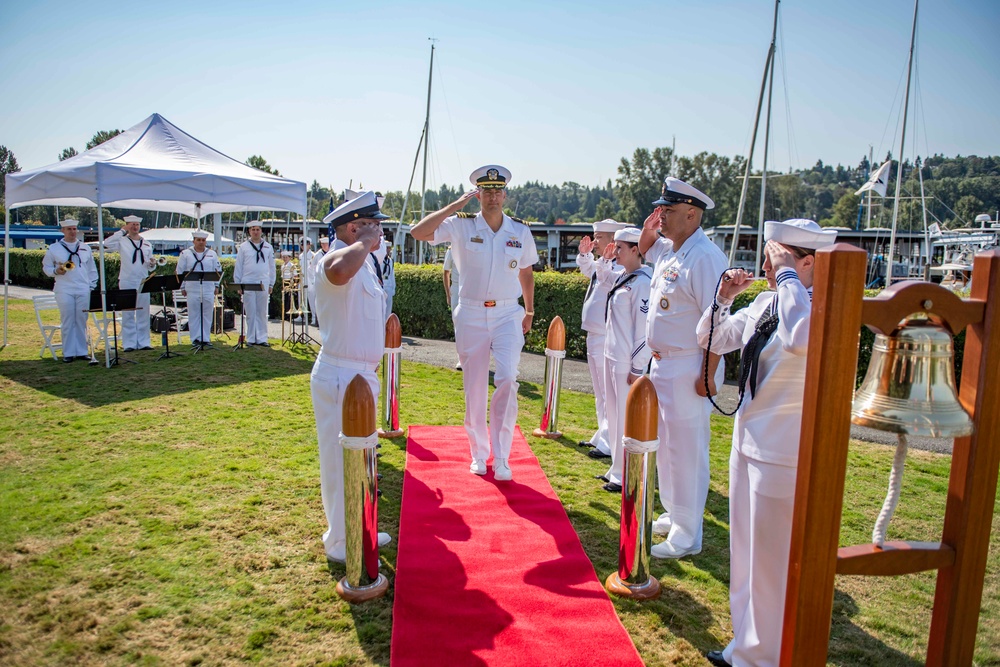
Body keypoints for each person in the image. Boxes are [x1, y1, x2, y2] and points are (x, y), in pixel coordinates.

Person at [696, 219, 837, 667]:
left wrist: (791, 276)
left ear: (808, 262)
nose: (768, 265)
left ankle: (767, 656)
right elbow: (711, 339)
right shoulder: (766, 302)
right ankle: (746, 647)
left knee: (773, 563)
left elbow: (800, 340)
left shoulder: (821, 310)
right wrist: (722, 300)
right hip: (746, 441)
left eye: (778, 258)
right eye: (769, 256)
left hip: (784, 452)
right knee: (746, 554)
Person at [410, 165, 537, 482]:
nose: (492, 196)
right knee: (475, 387)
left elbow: (526, 272)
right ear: (478, 194)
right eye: (486, 191)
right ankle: (479, 453)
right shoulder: (460, 225)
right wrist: (453, 207)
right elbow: (418, 232)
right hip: (471, 312)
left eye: (498, 191)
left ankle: (503, 456)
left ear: (505, 195)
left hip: (508, 313)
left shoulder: (520, 231)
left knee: (508, 379)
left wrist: (530, 311)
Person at [638, 177, 728, 559]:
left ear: (692, 214)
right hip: (663, 365)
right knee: (669, 445)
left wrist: (708, 375)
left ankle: (688, 534)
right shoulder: (673, 251)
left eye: (669, 211)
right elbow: (645, 249)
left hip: (689, 364)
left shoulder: (705, 257)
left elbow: (719, 322)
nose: (661, 216)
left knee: (688, 449)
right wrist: (649, 228)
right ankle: (675, 513)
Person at [311, 190, 393, 563]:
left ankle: (363, 525)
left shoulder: (367, 263)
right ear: (351, 227)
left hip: (361, 374)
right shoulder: (333, 260)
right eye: (372, 224)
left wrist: (367, 243)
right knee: (337, 460)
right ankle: (340, 542)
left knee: (363, 458)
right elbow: (339, 271)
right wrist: (363, 242)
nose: (379, 232)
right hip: (340, 372)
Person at [595, 226, 651, 493]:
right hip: (611, 354)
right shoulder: (623, 277)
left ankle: (628, 471)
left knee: (626, 418)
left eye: (620, 248)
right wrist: (604, 259)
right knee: (614, 414)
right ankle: (616, 468)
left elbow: (644, 328)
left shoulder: (643, 282)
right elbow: (601, 275)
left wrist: (638, 366)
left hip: (626, 361)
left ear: (635, 250)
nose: (614, 251)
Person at [575, 219, 629, 461]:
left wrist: (599, 261)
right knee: (599, 390)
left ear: (613, 240)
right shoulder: (604, 265)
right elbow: (589, 270)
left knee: (609, 392)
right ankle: (602, 433)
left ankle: (610, 442)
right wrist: (585, 256)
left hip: (607, 335)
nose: (595, 241)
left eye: (599, 237)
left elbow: (602, 274)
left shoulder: (620, 268)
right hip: (594, 333)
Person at [42, 217, 98, 362]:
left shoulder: (85, 247)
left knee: (81, 319)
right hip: (64, 288)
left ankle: (81, 351)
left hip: (83, 288)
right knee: (67, 319)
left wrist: (90, 286)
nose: (72, 232)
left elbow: (92, 269)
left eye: (74, 229)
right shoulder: (54, 248)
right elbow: (46, 267)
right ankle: (68, 352)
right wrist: (56, 271)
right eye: (69, 229)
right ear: (63, 231)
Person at [102, 214, 155, 351]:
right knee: (128, 312)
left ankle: (144, 342)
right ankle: (129, 343)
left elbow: (150, 264)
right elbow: (106, 243)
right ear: (127, 226)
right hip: (127, 279)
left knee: (143, 311)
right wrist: (121, 231)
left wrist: (152, 264)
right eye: (132, 225)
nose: (135, 227)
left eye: (137, 225)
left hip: (143, 279)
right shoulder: (122, 241)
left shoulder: (147, 243)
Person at [176, 229, 223, 347]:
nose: (201, 242)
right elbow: (179, 271)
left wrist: (216, 285)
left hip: (208, 287)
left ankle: (205, 338)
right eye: (198, 240)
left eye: (203, 240)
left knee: (207, 314)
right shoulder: (185, 254)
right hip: (192, 287)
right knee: (194, 314)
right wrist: (182, 287)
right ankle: (195, 338)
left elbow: (217, 270)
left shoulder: (212, 254)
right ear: (194, 241)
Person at [233, 223, 276, 346]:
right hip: (248, 281)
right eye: (253, 230)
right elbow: (239, 265)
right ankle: (251, 338)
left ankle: (262, 338)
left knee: (262, 312)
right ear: (249, 231)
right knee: (250, 312)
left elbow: (272, 267)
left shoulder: (268, 247)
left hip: (263, 281)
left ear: (261, 231)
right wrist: (238, 284)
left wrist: (271, 283)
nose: (255, 232)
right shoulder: (244, 247)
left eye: (257, 229)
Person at [441, 245, 462, 370]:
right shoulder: (452, 249)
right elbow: (446, 272)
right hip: (457, 289)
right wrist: (448, 294)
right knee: (458, 325)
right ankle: (461, 358)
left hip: (473, 290)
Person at [308, 236, 330, 326]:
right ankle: (318, 320)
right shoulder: (317, 255)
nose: (325, 246)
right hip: (320, 281)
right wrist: (314, 280)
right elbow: (311, 268)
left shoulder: (331, 253)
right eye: (323, 244)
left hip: (329, 281)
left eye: (326, 244)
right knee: (320, 301)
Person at [300, 238, 315, 323]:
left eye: (306, 244)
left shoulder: (313, 255)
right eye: (302, 245)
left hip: (310, 279)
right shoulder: (301, 256)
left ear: (309, 245)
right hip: (302, 278)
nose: (304, 246)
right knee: (302, 299)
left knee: (311, 299)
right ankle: (302, 316)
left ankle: (313, 317)